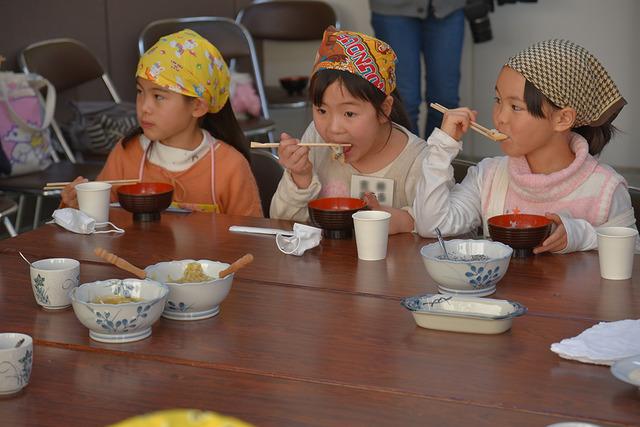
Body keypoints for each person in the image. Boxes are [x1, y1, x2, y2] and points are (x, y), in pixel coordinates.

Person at [414, 39, 638, 254]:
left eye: (516, 107)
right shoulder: (489, 177)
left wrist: (579, 235)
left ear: (562, 119)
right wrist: (443, 146)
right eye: (498, 100)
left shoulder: (606, 188)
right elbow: (432, 225)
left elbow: (633, 253)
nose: (500, 117)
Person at [61, 29, 262, 217]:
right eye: (140, 92)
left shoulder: (230, 166)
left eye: (158, 96)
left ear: (198, 107)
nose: (144, 107)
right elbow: (98, 225)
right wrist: (77, 209)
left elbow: (250, 242)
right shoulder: (126, 153)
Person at [269, 27, 439, 235]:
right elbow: (281, 224)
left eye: (349, 114)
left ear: (384, 110)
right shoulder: (315, 136)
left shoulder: (418, 162)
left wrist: (403, 220)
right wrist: (300, 177)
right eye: (321, 110)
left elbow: (437, 232)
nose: (333, 129)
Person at [369, 0, 466, 137]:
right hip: (392, 9)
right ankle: (408, 157)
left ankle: (440, 156)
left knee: (445, 102)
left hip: (448, 7)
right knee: (403, 102)